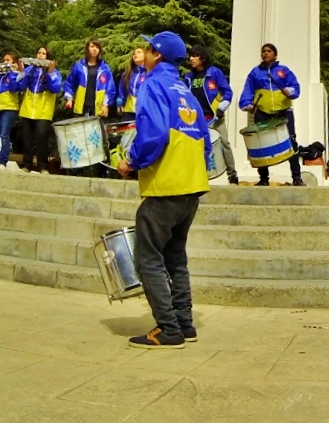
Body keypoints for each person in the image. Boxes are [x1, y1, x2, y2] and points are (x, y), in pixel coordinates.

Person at [116, 31, 210, 349]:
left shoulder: (153, 84)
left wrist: (131, 162)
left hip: (166, 185)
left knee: (148, 258)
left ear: (157, 55)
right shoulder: (185, 90)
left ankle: (168, 328)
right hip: (191, 186)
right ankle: (185, 324)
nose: (142, 51)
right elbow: (206, 142)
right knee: (175, 258)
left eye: (147, 48)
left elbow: (154, 134)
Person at [238, 43, 303, 186]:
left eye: (269, 51)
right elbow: (248, 90)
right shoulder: (255, 73)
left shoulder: (284, 70)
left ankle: (297, 177)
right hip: (262, 112)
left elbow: (295, 87)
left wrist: (289, 91)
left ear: (275, 55)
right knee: (260, 145)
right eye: (263, 51)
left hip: (283, 111)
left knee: (291, 142)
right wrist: (247, 104)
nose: (265, 53)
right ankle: (263, 178)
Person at [185, 45, 240, 185]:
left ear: (202, 57)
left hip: (215, 117)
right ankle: (197, 176)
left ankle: (232, 175)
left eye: (194, 56)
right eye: (190, 56)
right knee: (195, 147)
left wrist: (222, 107)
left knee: (225, 144)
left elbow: (228, 92)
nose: (191, 59)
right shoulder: (189, 76)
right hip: (195, 119)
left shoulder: (214, 72)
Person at [17, 47, 61, 173]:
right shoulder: (30, 69)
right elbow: (21, 86)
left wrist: (50, 73)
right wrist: (21, 72)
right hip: (28, 108)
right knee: (26, 138)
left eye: (44, 54)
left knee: (41, 138)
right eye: (39, 53)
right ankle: (27, 165)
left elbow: (55, 89)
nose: (41, 55)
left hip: (44, 110)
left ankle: (43, 166)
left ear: (48, 57)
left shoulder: (55, 72)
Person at [63, 39, 116, 118]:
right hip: (81, 108)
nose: (95, 49)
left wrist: (105, 105)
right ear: (87, 49)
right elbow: (70, 83)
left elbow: (110, 88)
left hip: (98, 109)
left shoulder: (105, 68)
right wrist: (69, 99)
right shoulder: (79, 66)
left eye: (97, 47)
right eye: (92, 46)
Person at [116, 46, 148, 119]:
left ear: (145, 55)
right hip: (129, 110)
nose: (135, 54)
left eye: (139, 52)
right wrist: (119, 103)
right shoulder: (127, 74)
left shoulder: (150, 73)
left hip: (144, 111)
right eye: (134, 53)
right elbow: (122, 90)